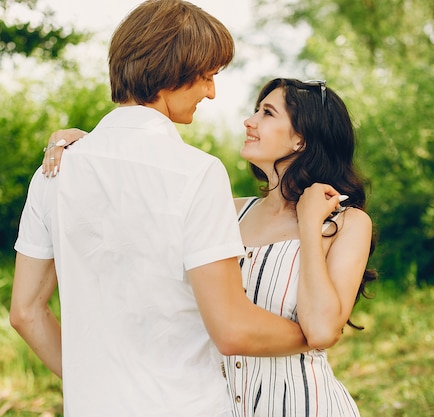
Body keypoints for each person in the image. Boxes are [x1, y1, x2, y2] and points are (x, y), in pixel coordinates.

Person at [10, 2, 311, 416]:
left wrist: (93, 386)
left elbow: (25, 313)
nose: (211, 92)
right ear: (173, 73)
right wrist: (311, 334)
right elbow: (231, 329)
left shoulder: (54, 171)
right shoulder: (198, 172)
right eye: (207, 77)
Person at [44, 78, 377, 416]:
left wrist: (308, 224)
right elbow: (140, 201)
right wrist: (89, 150)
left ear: (300, 138)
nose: (250, 121)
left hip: (303, 405)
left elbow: (321, 329)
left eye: (267, 113)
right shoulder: (227, 210)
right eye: (255, 110)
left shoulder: (346, 224)